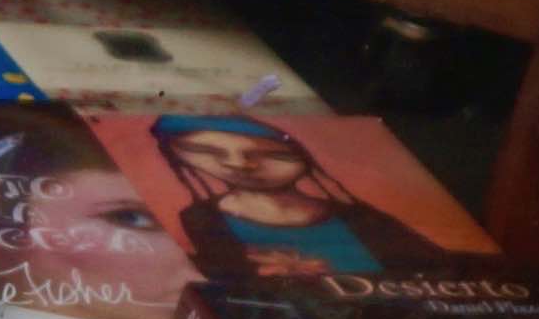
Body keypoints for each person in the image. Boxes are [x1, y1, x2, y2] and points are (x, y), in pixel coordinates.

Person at [150, 112, 446, 280]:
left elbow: (433, 271)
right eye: (205, 152)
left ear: (307, 158)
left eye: (272, 154)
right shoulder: (201, 219)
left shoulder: (361, 219)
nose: (239, 165)